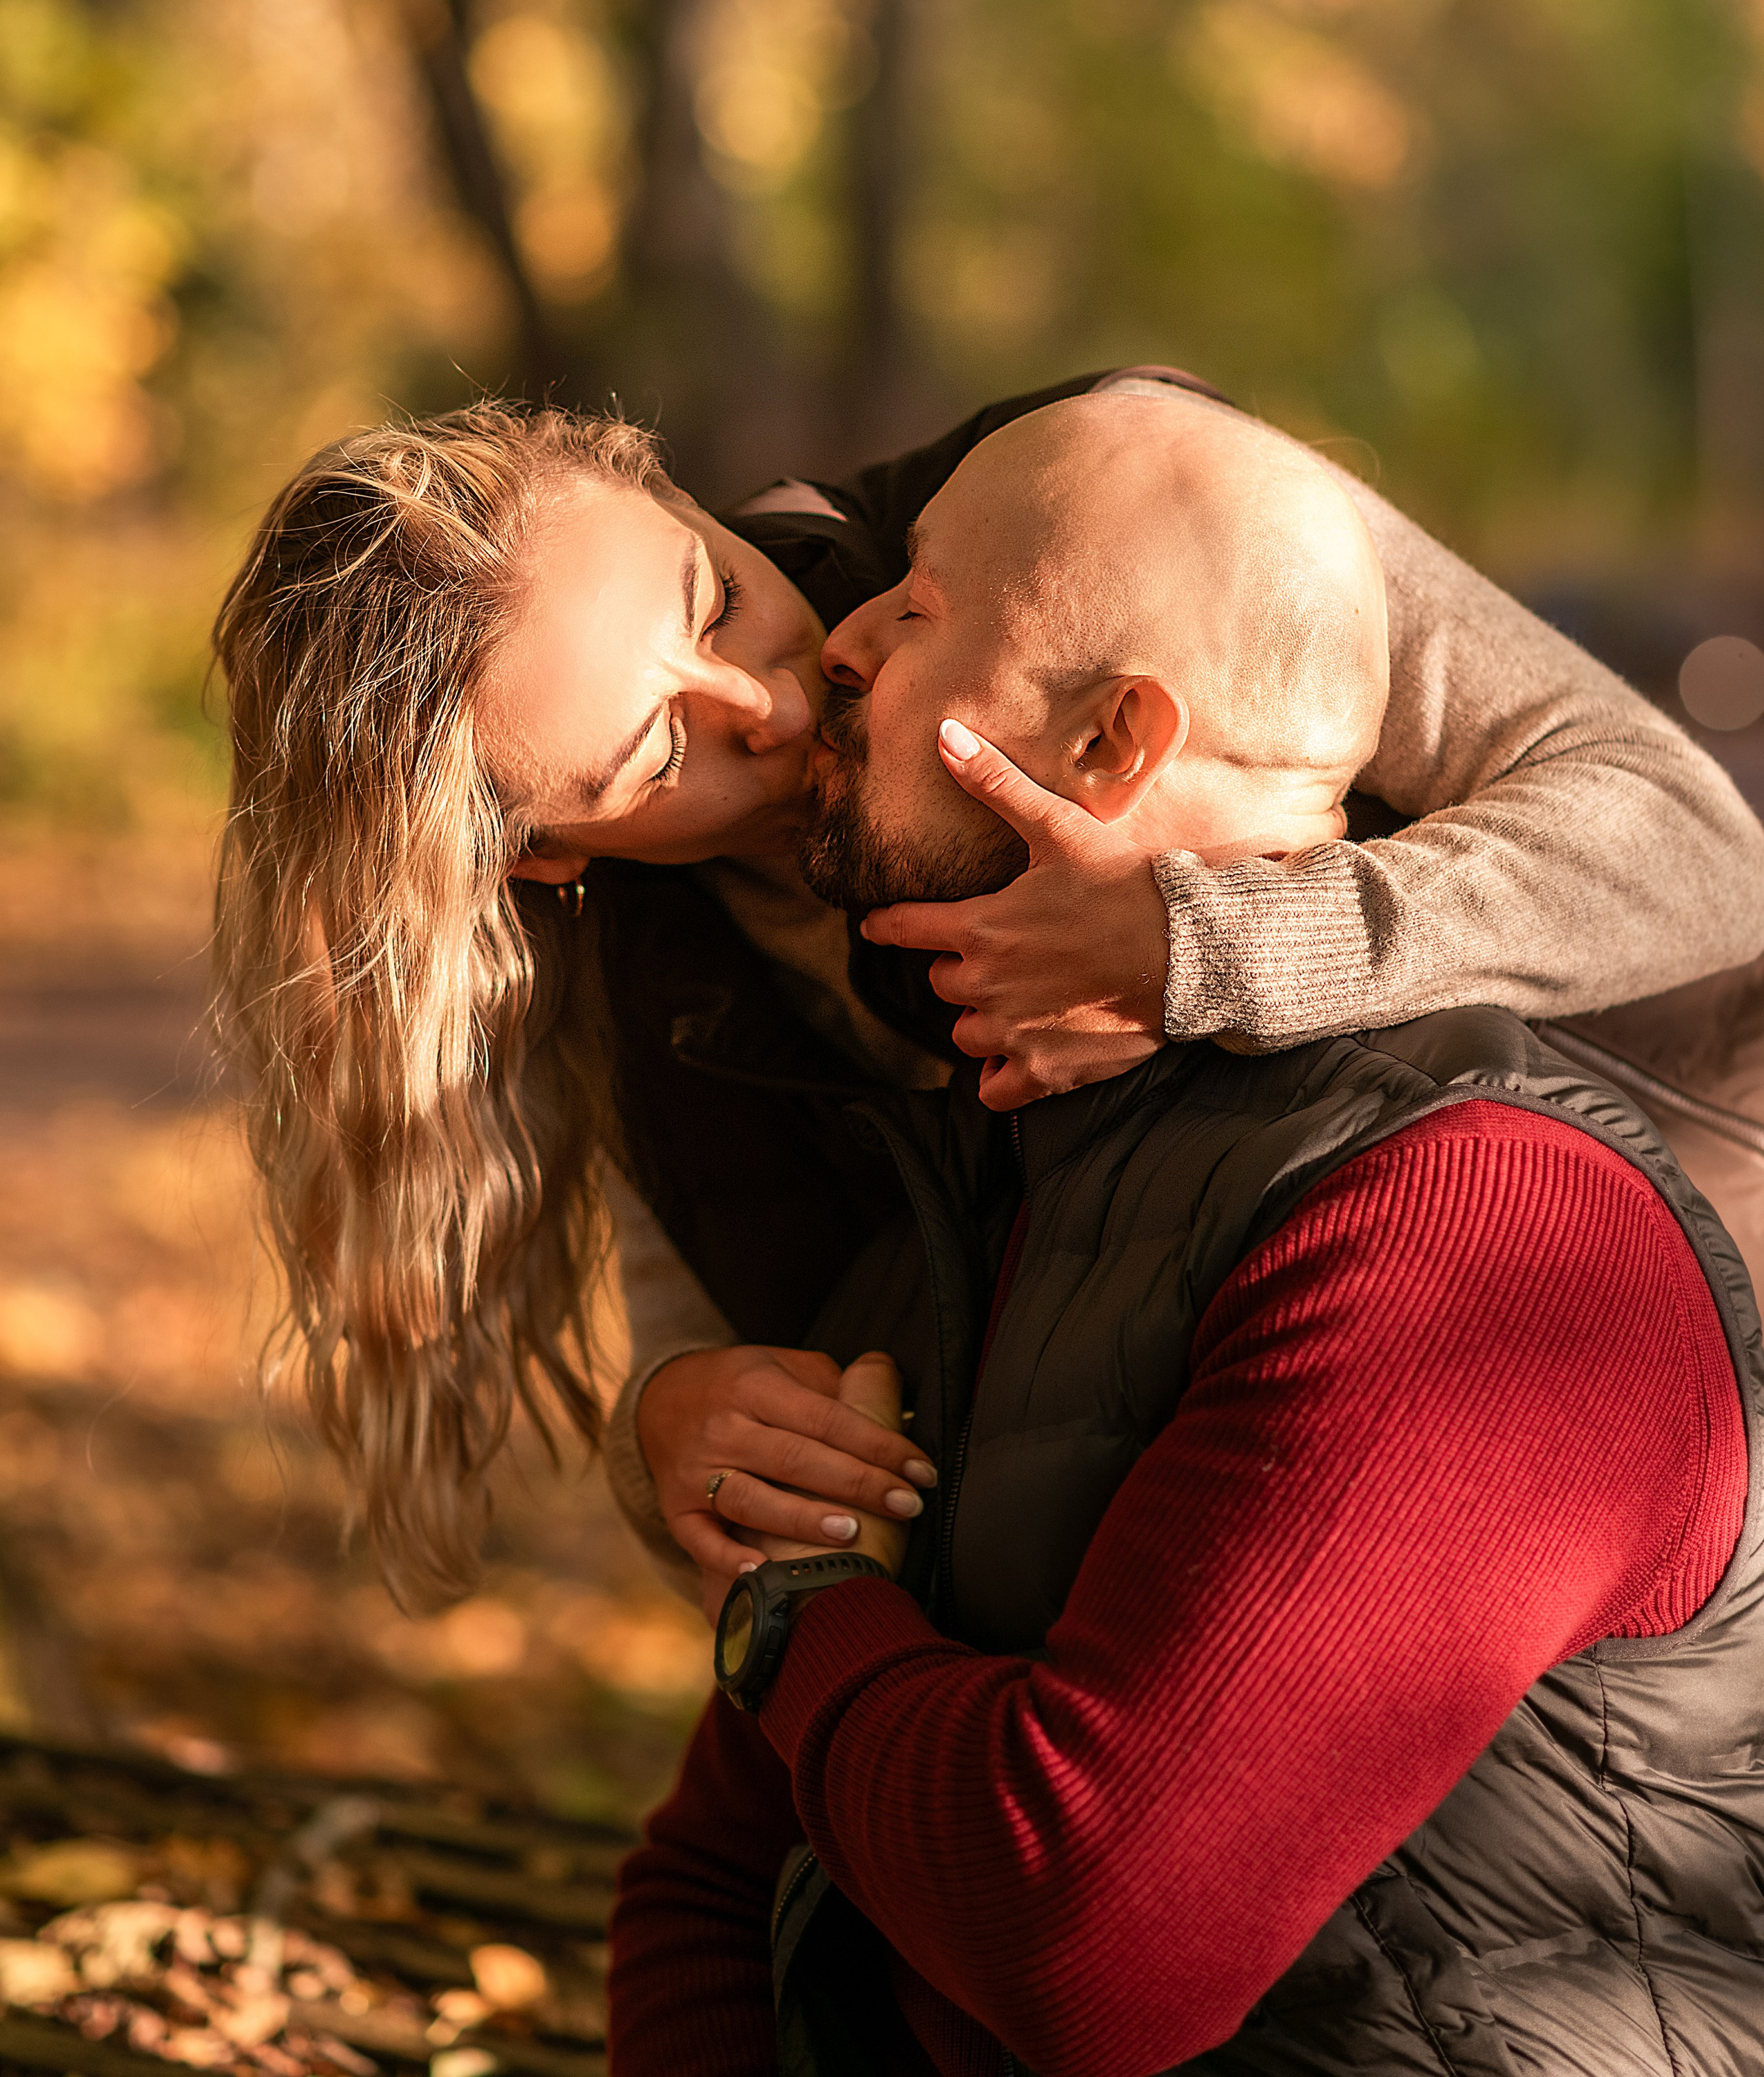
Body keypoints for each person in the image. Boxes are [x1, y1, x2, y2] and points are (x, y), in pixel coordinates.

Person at [607, 393, 1764, 2077]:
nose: (817, 665)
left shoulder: (1473, 1233)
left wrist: (800, 1616)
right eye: (636, 761)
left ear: (1106, 743)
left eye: (911, 611)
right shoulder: (971, 1204)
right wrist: (686, 1443)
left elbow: (1089, 1947)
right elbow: (716, 1874)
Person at [210, 369, 1764, 1607]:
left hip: (1670, 1274)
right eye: (656, 752)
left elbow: (1698, 848)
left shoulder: (1108, 496)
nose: (767, 701)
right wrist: (666, 1429)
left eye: (713, 599)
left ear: (673, 495)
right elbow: (713, 1332)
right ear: (543, 855)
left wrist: (1202, 946)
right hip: (1311, 1507)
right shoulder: (636, 968)